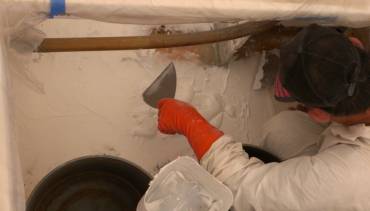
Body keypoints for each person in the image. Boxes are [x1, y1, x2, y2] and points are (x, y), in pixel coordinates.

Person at [156, 24, 370, 211]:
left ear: (319, 114)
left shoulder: (345, 179)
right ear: (356, 44)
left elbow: (244, 188)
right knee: (283, 129)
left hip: (352, 189)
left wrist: (189, 123)